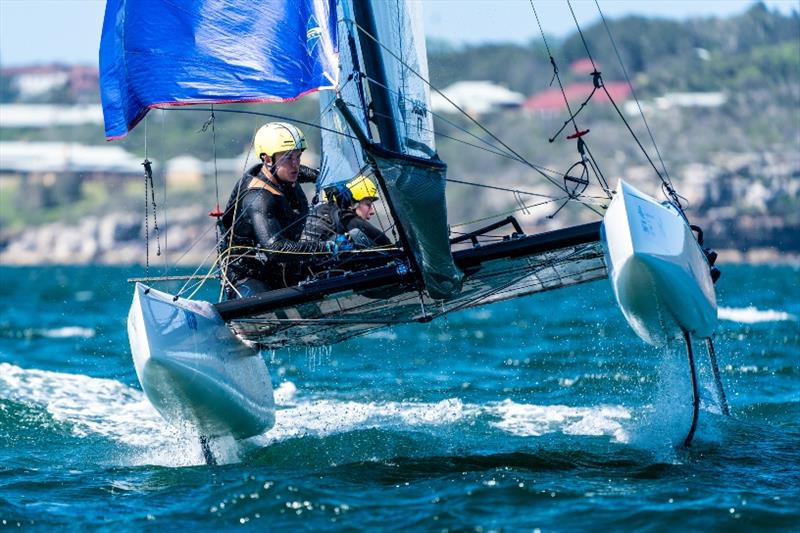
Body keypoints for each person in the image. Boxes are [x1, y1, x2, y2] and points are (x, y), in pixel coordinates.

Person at [220, 122, 333, 297]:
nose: (295, 164)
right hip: (248, 276)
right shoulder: (258, 198)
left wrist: (330, 183)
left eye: (298, 156)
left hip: (283, 269)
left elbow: (304, 172)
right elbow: (275, 249)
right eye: (288, 157)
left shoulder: (285, 173)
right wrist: (326, 247)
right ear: (267, 159)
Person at [302, 175, 392, 248]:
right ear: (353, 204)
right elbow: (385, 242)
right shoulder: (345, 217)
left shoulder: (320, 210)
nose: (372, 211)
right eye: (368, 204)